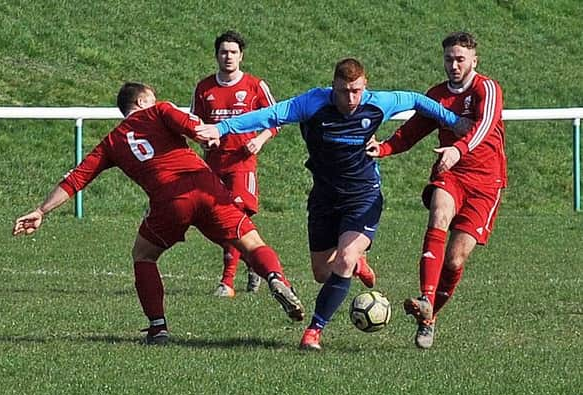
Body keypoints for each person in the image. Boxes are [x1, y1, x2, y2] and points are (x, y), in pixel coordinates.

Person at [196, 58, 469, 350]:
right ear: (333, 87)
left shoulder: (377, 103)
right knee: (322, 273)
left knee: (345, 257)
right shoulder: (313, 103)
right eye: (344, 91)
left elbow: (417, 100)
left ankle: (314, 330)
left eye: (357, 91)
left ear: (365, 86)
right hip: (324, 197)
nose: (351, 98)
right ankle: (357, 263)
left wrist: (454, 121)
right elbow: (270, 115)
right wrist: (222, 128)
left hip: (363, 195)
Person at [12, 82, 305, 345]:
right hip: (205, 185)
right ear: (141, 102)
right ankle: (276, 278)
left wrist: (41, 211)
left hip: (169, 201)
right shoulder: (160, 111)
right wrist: (206, 137)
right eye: (153, 98)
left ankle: (158, 327)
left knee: (143, 255)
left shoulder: (111, 143)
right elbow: (191, 124)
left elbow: (76, 179)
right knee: (251, 243)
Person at [367, 32, 506, 349]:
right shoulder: (437, 95)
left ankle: (428, 317)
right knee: (439, 214)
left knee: (455, 260)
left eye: (460, 59)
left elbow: (484, 125)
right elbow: (411, 132)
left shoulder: (487, 88)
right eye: (449, 59)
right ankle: (425, 297)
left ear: (474, 60)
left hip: (486, 183)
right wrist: (384, 148)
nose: (454, 65)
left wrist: (459, 147)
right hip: (451, 174)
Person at [191, 30, 278, 298]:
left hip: (242, 164)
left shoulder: (255, 86)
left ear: (241, 56)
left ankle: (227, 283)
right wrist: (205, 141)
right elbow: (196, 124)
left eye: (233, 52)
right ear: (217, 55)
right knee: (217, 222)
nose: (228, 56)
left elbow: (276, 119)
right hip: (214, 165)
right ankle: (253, 260)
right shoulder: (204, 88)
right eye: (223, 52)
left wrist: (260, 140)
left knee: (237, 217)